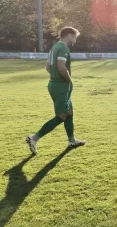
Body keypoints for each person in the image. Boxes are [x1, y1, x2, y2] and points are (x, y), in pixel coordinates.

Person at [25, 27, 86, 155]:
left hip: (54, 84)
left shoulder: (54, 47)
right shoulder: (63, 48)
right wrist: (68, 80)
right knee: (61, 116)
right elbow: (61, 67)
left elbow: (48, 67)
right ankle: (34, 138)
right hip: (60, 87)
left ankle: (71, 140)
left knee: (69, 112)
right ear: (69, 35)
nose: (75, 40)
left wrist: (55, 77)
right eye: (75, 37)